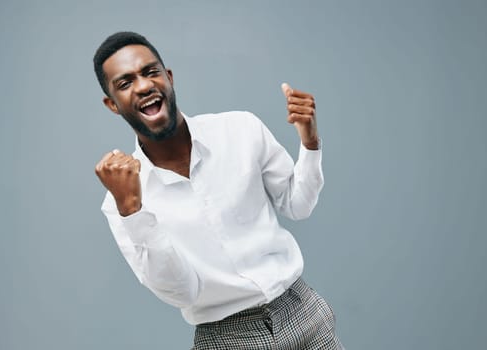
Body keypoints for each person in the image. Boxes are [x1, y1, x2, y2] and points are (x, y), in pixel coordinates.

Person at [93, 31, 344, 349]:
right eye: (125, 83)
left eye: (150, 72)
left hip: (303, 310)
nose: (143, 86)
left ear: (168, 78)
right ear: (112, 104)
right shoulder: (121, 202)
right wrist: (133, 210)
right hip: (228, 337)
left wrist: (309, 143)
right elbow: (181, 292)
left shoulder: (240, 129)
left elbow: (298, 205)